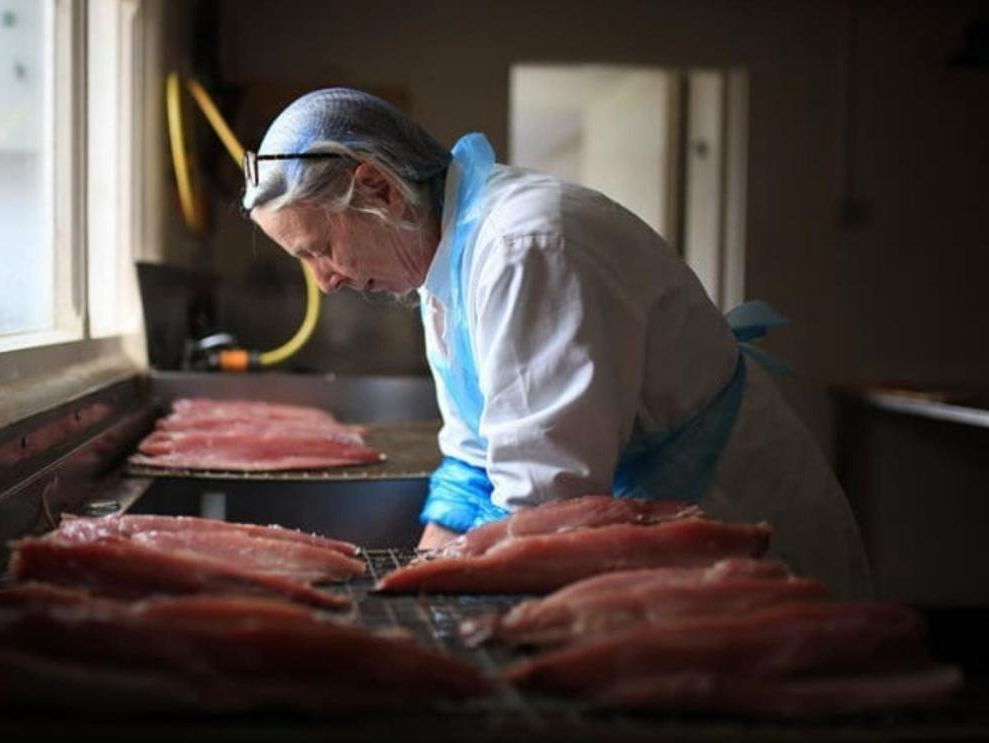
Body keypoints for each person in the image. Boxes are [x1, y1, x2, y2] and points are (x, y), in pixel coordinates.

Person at [241, 88, 872, 599]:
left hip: (747, 540)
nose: (326, 282)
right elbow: (473, 461)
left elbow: (545, 502)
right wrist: (413, 575)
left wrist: (432, 596)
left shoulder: (526, 247)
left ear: (376, 187)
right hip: (659, 548)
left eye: (320, 249)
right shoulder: (445, 266)